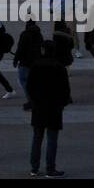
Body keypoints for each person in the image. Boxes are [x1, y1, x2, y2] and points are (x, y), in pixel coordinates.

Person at [26, 41, 69, 178]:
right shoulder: (59, 66)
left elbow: (29, 86)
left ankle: (34, 168)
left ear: (43, 50)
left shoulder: (35, 65)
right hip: (54, 107)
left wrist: (32, 102)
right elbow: (65, 89)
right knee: (52, 139)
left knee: (37, 138)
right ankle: (50, 168)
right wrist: (62, 103)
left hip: (38, 107)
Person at [13, 20, 44, 110]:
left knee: (24, 81)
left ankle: (31, 100)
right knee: (35, 82)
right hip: (36, 62)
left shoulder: (25, 34)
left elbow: (20, 48)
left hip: (25, 63)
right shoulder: (39, 34)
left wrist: (15, 60)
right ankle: (35, 100)